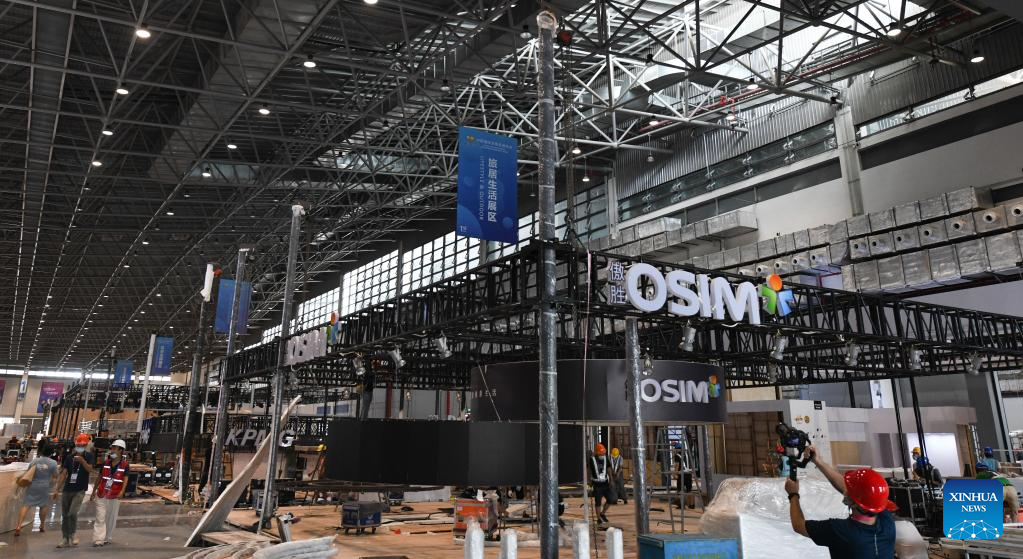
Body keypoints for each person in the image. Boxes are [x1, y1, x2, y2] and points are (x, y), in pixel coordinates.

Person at [785, 446, 896, 559]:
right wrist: (819, 461)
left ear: (855, 503)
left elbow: (799, 525)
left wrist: (793, 494)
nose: (845, 490)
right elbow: (856, 493)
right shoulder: (887, 522)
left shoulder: (839, 531)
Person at [55, 433, 94, 548]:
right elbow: (64, 473)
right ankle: (65, 538)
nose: (80, 447)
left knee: (72, 512)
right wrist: (57, 489)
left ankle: (72, 534)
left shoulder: (89, 456)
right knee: (65, 514)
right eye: (78, 445)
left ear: (85, 445)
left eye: (82, 445)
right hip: (67, 489)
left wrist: (82, 461)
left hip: (80, 490)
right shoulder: (69, 457)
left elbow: (90, 469)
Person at [15, 440, 59, 537]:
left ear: (42, 451)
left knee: (26, 505)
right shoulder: (53, 463)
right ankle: (42, 525)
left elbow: (28, 472)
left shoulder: (35, 461)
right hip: (44, 487)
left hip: (32, 486)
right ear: (52, 452)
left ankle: (18, 526)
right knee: (43, 506)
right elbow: (56, 475)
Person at [90, 439, 130, 547]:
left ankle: (107, 537)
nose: (112, 450)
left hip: (115, 495)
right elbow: (99, 477)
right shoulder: (106, 463)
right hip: (102, 493)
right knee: (100, 517)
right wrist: (93, 491)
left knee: (111, 518)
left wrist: (122, 491)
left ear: (121, 450)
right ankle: (98, 539)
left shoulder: (125, 465)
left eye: (114, 448)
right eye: (112, 448)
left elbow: (125, 479)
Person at [589, 443, 615, 524]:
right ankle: (598, 519)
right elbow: (589, 470)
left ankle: (602, 513)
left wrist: (611, 480)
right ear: (596, 452)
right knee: (598, 502)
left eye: (603, 453)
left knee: (611, 499)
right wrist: (589, 481)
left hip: (605, 483)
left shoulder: (606, 458)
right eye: (601, 453)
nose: (602, 455)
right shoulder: (592, 459)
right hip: (596, 484)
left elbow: (609, 468)